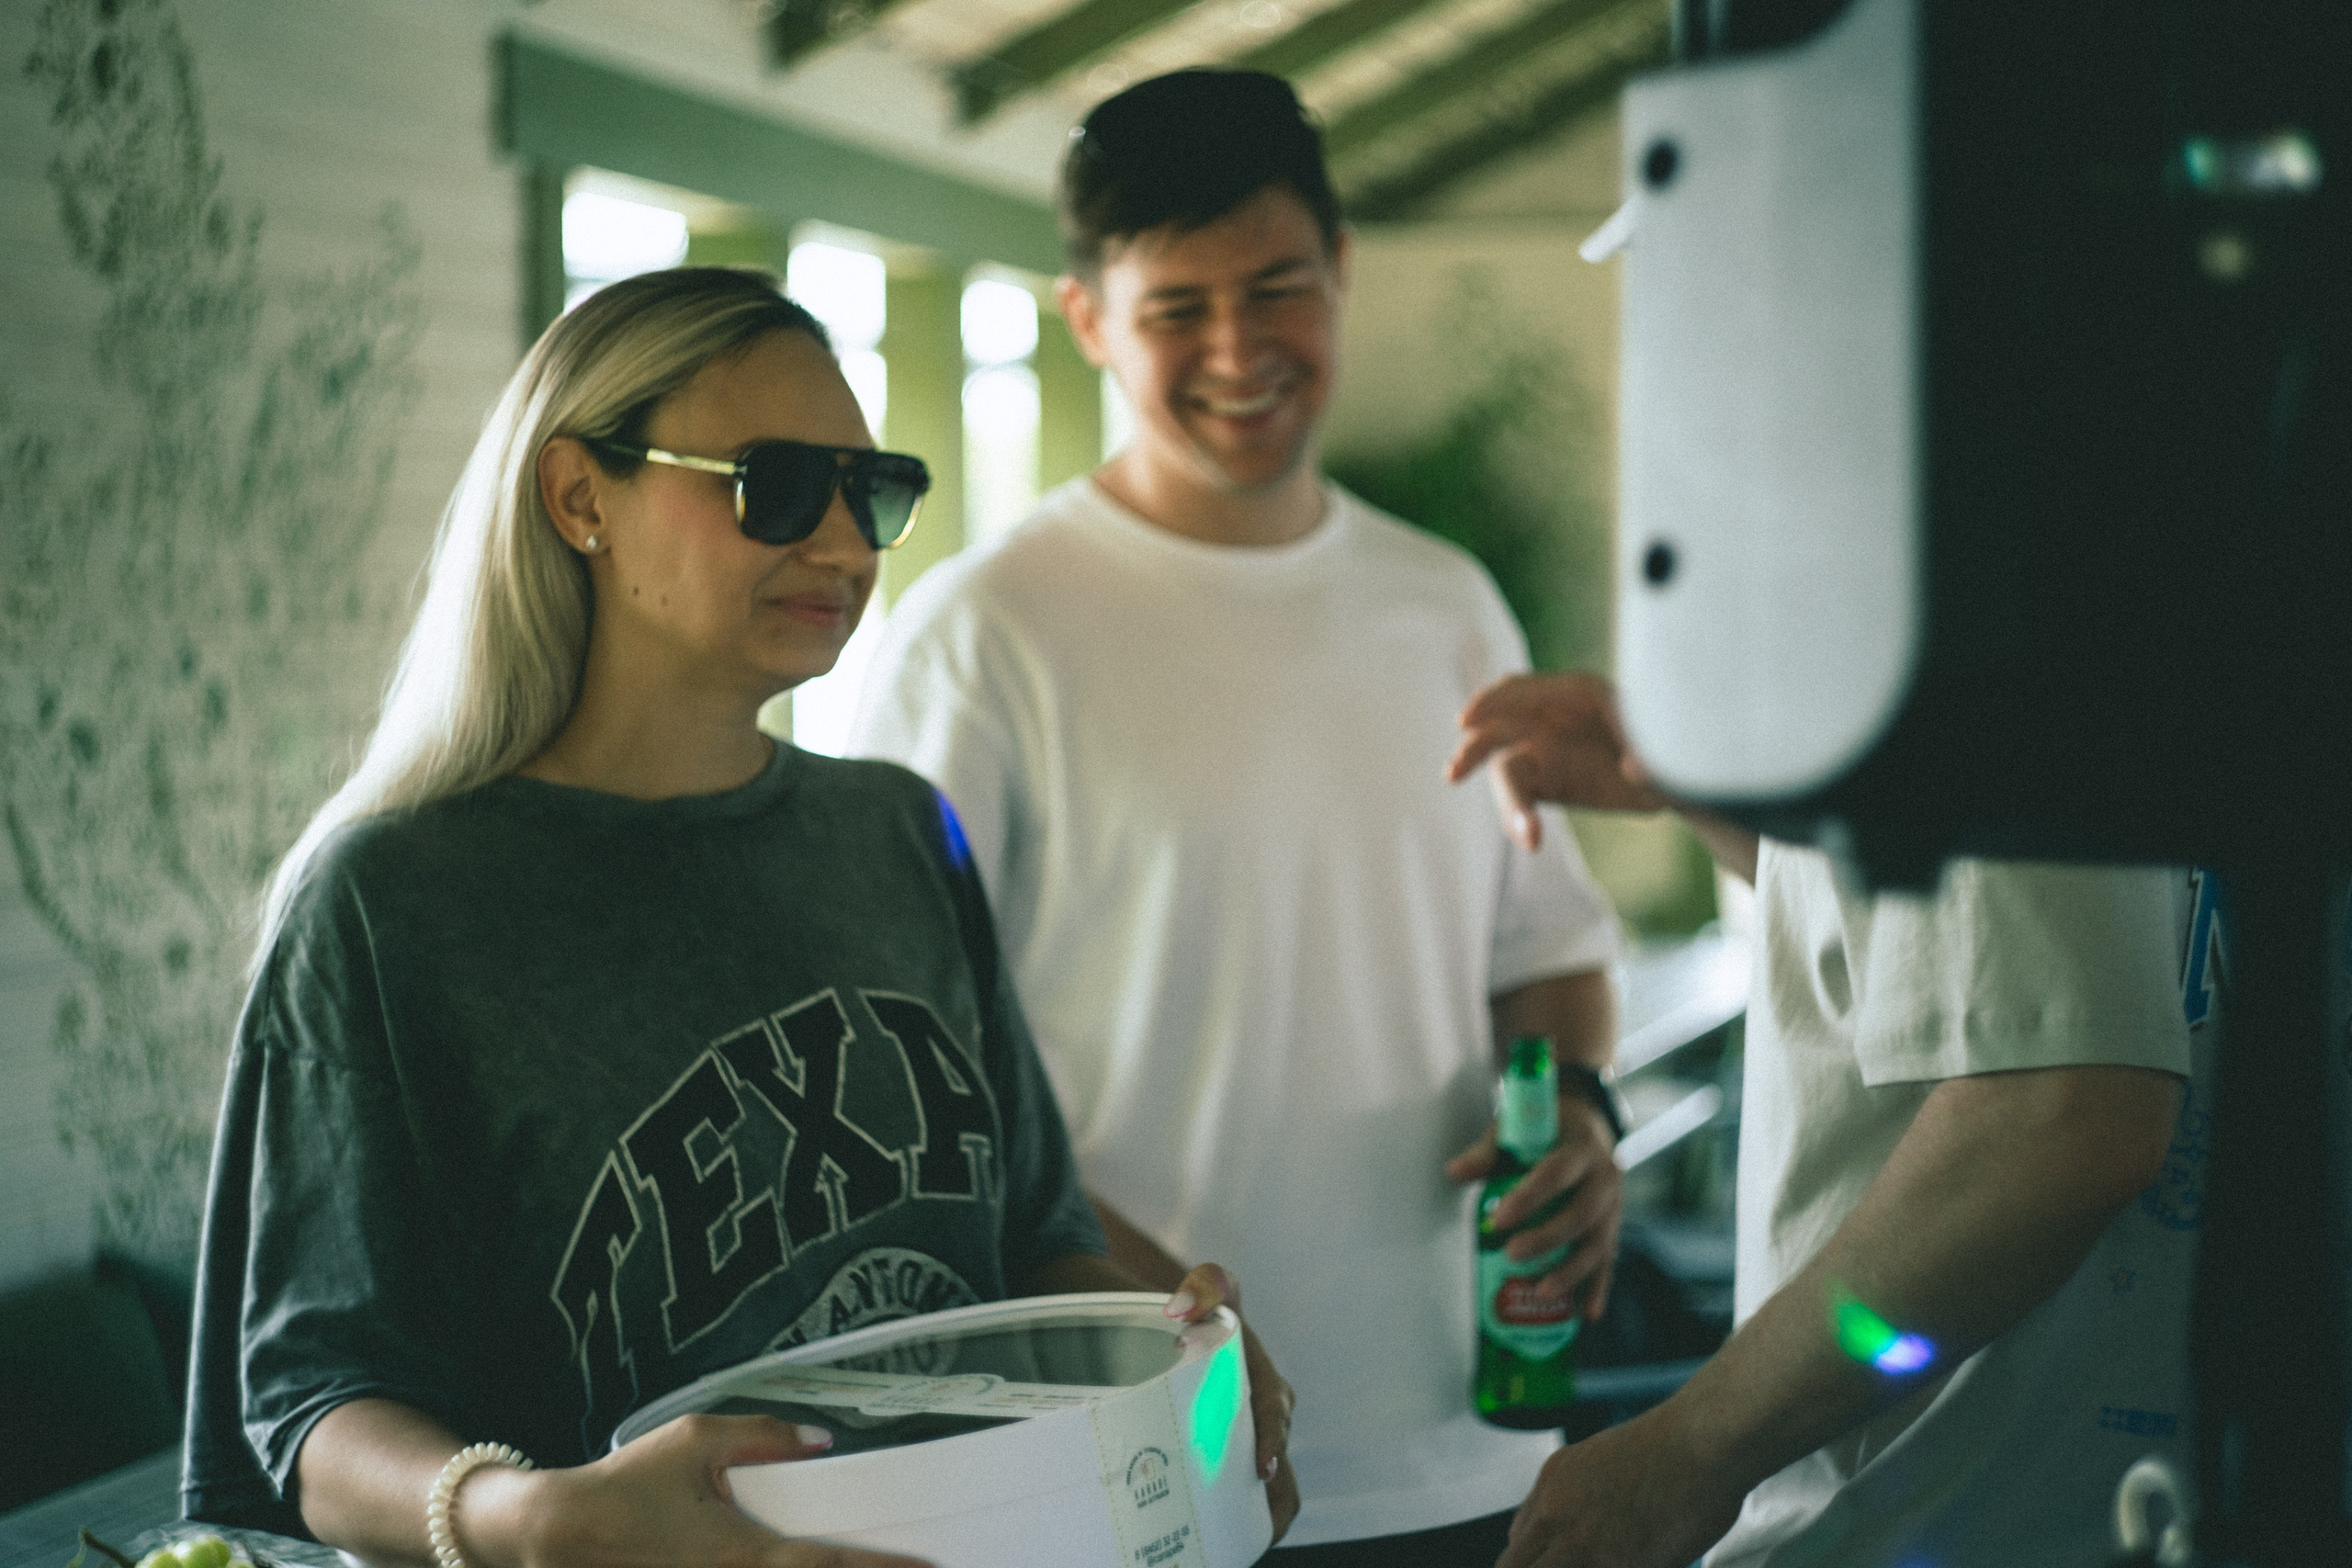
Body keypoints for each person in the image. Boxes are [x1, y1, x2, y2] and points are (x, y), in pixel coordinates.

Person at [181, 266, 1291, 1568]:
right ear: (580, 496)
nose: (841, 543)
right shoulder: (389, 901)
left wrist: (1175, 1337)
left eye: (873, 492)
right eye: (772, 484)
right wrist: (542, 1518)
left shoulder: (897, 830)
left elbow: (1032, 1235)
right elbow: (312, 1408)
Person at [850, 72, 1624, 1567]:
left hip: (1474, 1450)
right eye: (1174, 310)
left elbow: (1548, 944)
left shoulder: (1444, 600)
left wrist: (1584, 1105)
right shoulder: (985, 634)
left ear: (1341, 271)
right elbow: (917, 1078)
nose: (1238, 350)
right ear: (1087, 320)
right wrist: (1154, 1311)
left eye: (1279, 289)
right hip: (1141, 1470)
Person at [1447, 672, 2214, 1567]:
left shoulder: (1966, 622)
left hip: (1920, 1518)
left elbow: (2058, 1117)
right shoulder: (2096, 627)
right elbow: (1923, 956)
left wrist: (1686, 1454)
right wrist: (1689, 792)